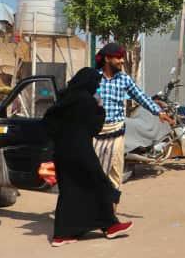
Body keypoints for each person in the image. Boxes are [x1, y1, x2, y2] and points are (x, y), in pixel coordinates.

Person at [43, 67, 131, 247]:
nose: (97, 86)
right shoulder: (87, 101)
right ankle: (110, 226)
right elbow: (95, 128)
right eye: (96, 83)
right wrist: (99, 109)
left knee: (70, 192)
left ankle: (62, 235)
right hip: (81, 151)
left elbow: (48, 122)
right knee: (99, 184)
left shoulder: (65, 98)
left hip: (62, 153)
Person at [94, 43, 172, 204]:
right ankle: (93, 209)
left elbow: (140, 97)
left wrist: (159, 112)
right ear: (108, 59)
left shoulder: (124, 79)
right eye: (118, 57)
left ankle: (110, 213)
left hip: (115, 131)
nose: (122, 61)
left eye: (123, 58)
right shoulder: (93, 78)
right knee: (95, 172)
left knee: (115, 173)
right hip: (95, 132)